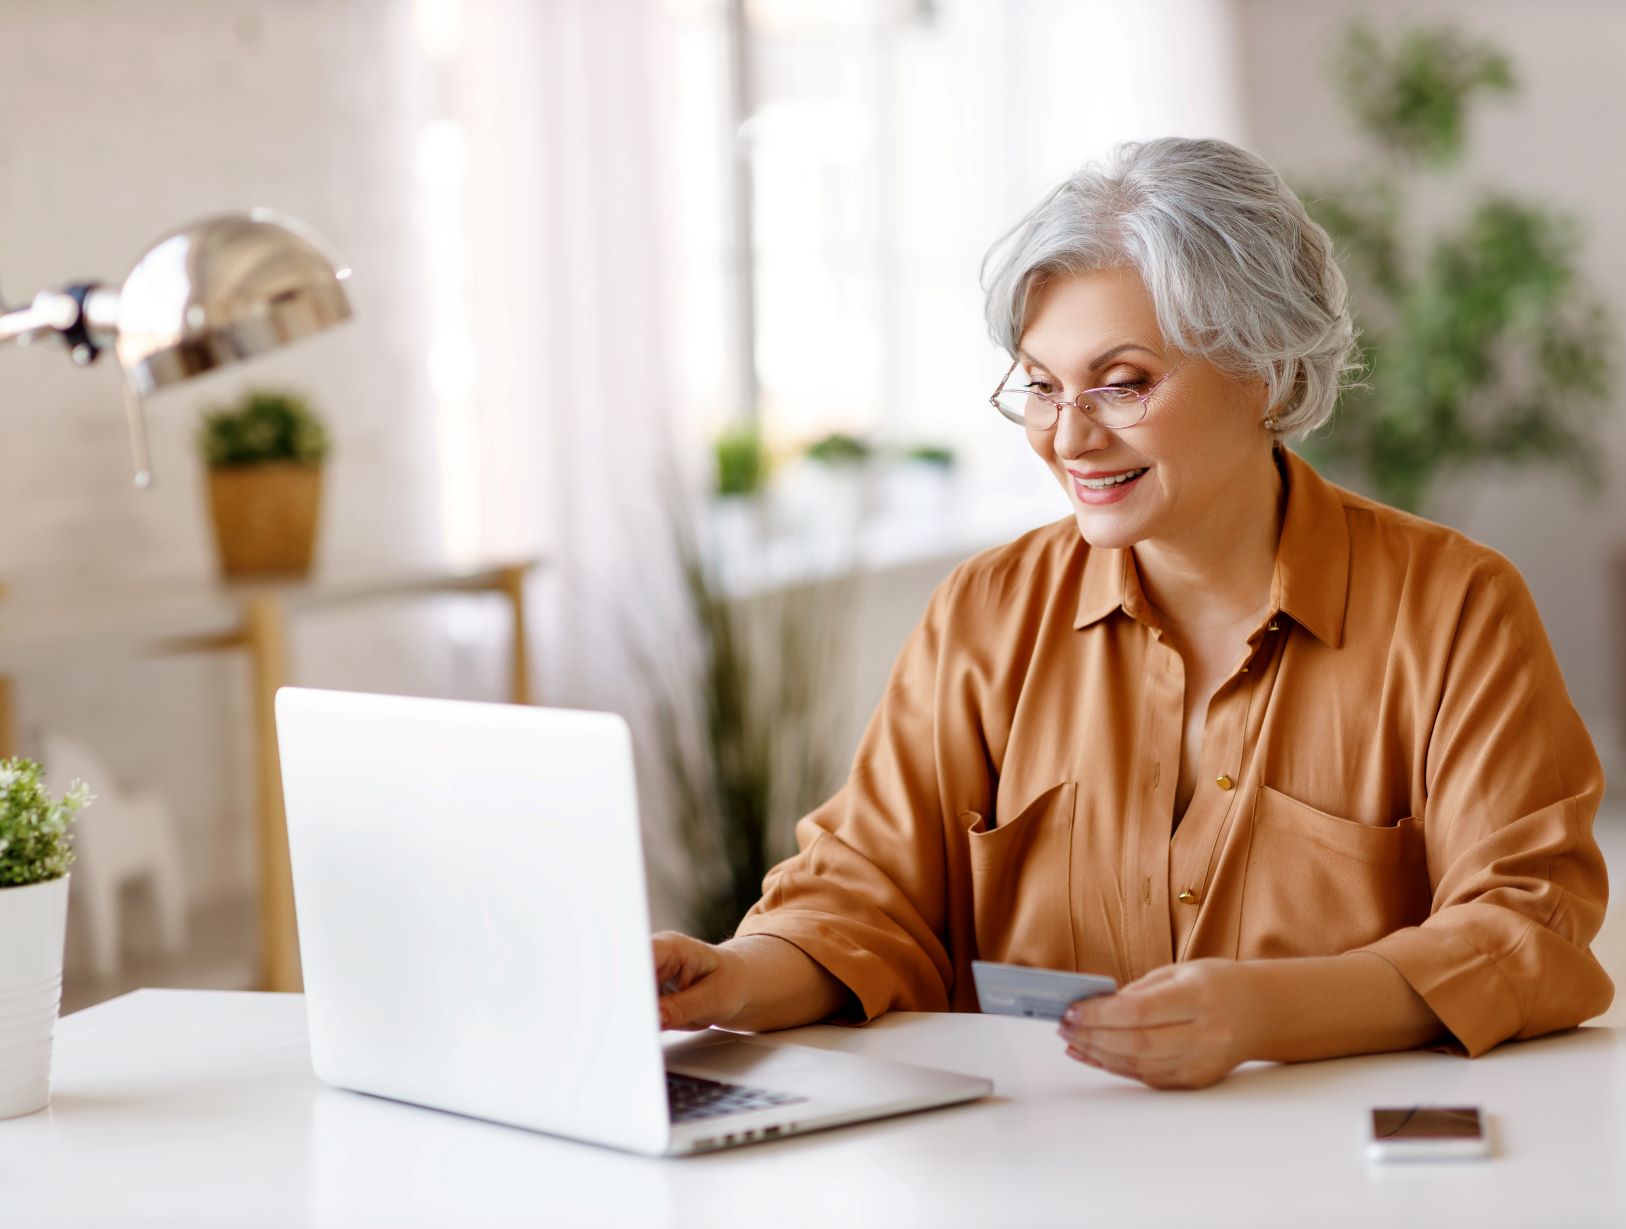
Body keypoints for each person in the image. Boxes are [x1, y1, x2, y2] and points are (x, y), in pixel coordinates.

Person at [650, 137, 1614, 1089]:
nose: (1068, 436)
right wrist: (732, 978)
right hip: (1039, 1167)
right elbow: (864, 896)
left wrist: (1265, 1011)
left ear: (1268, 374)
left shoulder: (1455, 609)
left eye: (1123, 382)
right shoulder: (988, 612)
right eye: (1040, 384)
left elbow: (1529, 925)